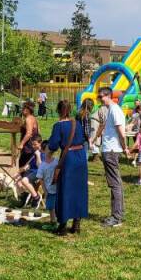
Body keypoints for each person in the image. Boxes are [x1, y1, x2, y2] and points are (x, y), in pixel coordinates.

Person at [49, 100, 88, 235]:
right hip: (81, 157)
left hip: (69, 159)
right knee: (79, 189)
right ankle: (76, 224)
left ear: (59, 111)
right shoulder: (77, 123)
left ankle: (63, 225)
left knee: (65, 190)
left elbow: (53, 145)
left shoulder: (58, 126)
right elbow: (83, 138)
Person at [94, 86, 128, 227]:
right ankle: (118, 213)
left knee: (114, 183)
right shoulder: (110, 110)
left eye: (101, 96)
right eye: (99, 96)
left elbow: (121, 132)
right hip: (109, 150)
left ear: (108, 96)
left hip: (111, 151)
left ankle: (116, 217)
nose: (99, 99)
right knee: (116, 183)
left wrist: (125, 147)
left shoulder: (115, 110)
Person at [34, 141, 59, 223]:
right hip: (49, 190)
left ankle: (60, 220)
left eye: (51, 148)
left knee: (59, 205)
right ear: (43, 151)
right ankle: (53, 221)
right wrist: (45, 191)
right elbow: (41, 179)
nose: (50, 149)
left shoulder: (57, 161)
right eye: (48, 148)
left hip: (58, 189)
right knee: (51, 207)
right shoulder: (42, 165)